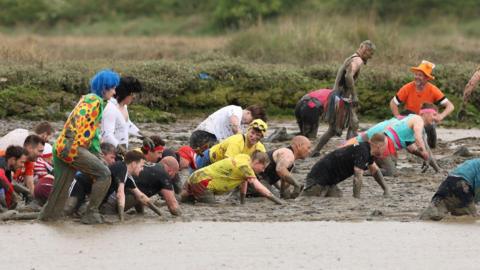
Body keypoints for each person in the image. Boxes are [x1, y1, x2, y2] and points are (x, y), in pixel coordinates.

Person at [39, 69, 120, 224]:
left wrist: (94, 152)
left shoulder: (89, 99)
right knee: (104, 174)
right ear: (104, 88)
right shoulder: (94, 101)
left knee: (60, 189)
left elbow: (90, 131)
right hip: (73, 147)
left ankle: (46, 217)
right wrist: (74, 141)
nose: (115, 92)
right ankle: (91, 212)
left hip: (61, 146)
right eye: (113, 88)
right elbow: (82, 120)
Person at [312, 40, 376, 155]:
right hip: (341, 98)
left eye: (371, 53)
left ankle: (318, 150)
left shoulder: (352, 58)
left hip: (337, 96)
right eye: (368, 52)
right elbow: (348, 76)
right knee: (348, 126)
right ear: (362, 48)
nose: (369, 56)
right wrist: (355, 95)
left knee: (347, 126)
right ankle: (346, 152)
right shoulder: (357, 60)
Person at [344, 104, 441, 175]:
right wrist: (424, 153)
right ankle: (362, 170)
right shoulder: (418, 120)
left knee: (390, 166)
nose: (437, 119)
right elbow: (418, 139)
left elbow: (413, 149)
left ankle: (363, 167)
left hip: (379, 143)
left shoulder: (408, 127)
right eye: (434, 115)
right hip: (380, 144)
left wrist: (436, 169)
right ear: (424, 113)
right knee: (391, 172)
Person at [389, 60, 454, 148]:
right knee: (405, 114)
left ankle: (431, 147)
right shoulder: (407, 88)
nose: (417, 77)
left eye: (420, 75)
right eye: (416, 74)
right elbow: (393, 103)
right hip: (410, 118)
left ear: (427, 78)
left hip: (425, 119)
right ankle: (405, 143)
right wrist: (397, 117)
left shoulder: (433, 90)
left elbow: (450, 106)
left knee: (430, 128)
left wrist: (441, 116)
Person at [303, 133, 390, 198]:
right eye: (385, 147)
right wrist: (357, 198)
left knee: (337, 197)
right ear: (379, 146)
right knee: (306, 199)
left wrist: (386, 189)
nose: (385, 150)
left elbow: (375, 170)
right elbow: (357, 177)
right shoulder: (363, 150)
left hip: (330, 182)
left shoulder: (368, 152)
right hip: (318, 178)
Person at [181, 152, 283, 205]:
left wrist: (242, 202)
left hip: (196, 176)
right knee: (212, 207)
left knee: (185, 202)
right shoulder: (245, 167)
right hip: (203, 183)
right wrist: (278, 201)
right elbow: (259, 188)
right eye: (263, 167)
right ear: (257, 162)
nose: (263, 171)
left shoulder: (244, 158)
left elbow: (244, 181)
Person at [101, 156, 181, 217]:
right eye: (175, 174)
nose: (173, 177)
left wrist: (140, 213)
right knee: (110, 217)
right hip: (116, 199)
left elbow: (139, 189)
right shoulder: (164, 174)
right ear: (170, 171)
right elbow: (173, 205)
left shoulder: (147, 166)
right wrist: (180, 218)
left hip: (106, 194)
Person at [64, 143, 117, 216]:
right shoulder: (92, 162)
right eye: (112, 157)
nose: (114, 161)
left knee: (84, 211)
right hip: (77, 184)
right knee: (68, 209)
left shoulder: (111, 173)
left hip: (89, 195)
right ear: (102, 155)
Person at [189, 104, 266, 154]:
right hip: (205, 135)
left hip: (207, 138)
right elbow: (234, 125)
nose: (250, 123)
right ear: (248, 113)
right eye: (252, 120)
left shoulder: (241, 125)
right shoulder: (236, 110)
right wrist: (243, 141)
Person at [195, 119, 267, 169]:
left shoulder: (260, 148)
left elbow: (263, 163)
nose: (254, 137)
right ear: (248, 131)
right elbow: (228, 164)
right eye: (252, 133)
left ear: (261, 137)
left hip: (219, 165)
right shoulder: (237, 141)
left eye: (258, 135)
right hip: (208, 159)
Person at [101, 76, 143, 153]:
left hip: (123, 148)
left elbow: (127, 124)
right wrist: (120, 149)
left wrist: (142, 136)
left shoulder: (124, 107)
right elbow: (107, 134)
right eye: (132, 94)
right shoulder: (111, 108)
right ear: (125, 93)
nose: (134, 97)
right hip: (112, 152)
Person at [13, 135, 45, 199]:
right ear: (29, 148)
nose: (42, 155)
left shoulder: (29, 162)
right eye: (40, 151)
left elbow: (30, 184)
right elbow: (8, 181)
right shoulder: (13, 157)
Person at [0, 146, 27, 210]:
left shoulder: (8, 169)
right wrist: (13, 194)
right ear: (13, 159)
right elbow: (1, 176)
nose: (23, 165)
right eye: (22, 162)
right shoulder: (2, 161)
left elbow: (7, 185)